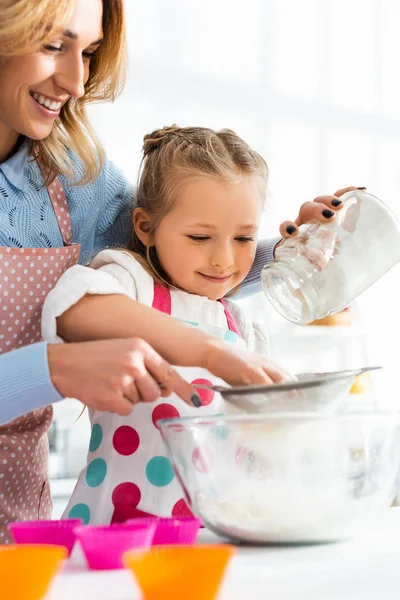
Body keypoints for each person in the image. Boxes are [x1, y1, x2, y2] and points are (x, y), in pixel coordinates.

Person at [0, 0, 346, 540]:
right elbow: (93, 301)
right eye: (52, 44)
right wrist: (53, 370)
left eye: (88, 51)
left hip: (20, 527)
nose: (75, 81)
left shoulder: (71, 176)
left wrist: (288, 256)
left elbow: (172, 259)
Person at [41, 125, 352, 524]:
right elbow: (74, 305)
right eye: (200, 236)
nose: (224, 260)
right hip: (121, 529)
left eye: (243, 238)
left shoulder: (238, 323)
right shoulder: (131, 283)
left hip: (209, 532)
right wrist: (209, 350)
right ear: (145, 227)